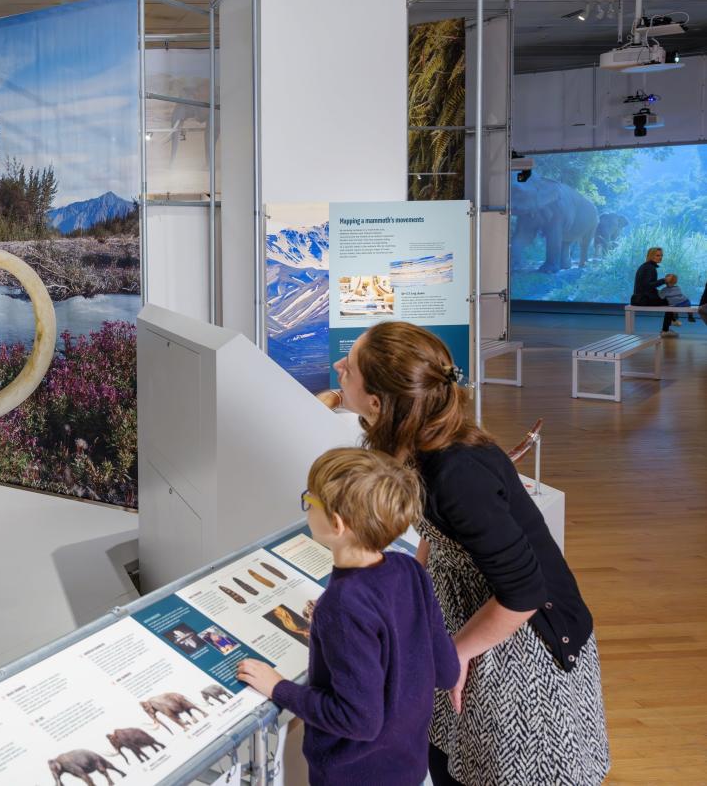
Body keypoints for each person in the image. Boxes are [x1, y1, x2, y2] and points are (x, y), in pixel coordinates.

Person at [335, 322, 609, 786]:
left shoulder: (457, 472)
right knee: (450, 762)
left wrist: (456, 654)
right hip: (465, 623)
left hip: (520, 649)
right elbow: (440, 531)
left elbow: (524, 592)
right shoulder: (419, 445)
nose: (339, 367)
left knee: (500, 773)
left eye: (351, 365)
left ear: (379, 403)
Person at [236, 448, 459, 786]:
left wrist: (278, 688)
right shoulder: (410, 570)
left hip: (352, 776)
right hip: (408, 765)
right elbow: (446, 670)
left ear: (337, 524)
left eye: (310, 499)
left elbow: (359, 720)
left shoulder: (342, 606)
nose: (307, 505)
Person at [631, 246, 676, 336]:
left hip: (638, 298)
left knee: (667, 298)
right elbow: (648, 286)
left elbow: (648, 286)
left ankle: (671, 322)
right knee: (671, 301)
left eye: (661, 255)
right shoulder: (650, 268)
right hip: (643, 299)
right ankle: (666, 329)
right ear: (651, 256)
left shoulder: (646, 266)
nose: (660, 257)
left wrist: (659, 292)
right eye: (657, 255)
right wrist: (664, 280)